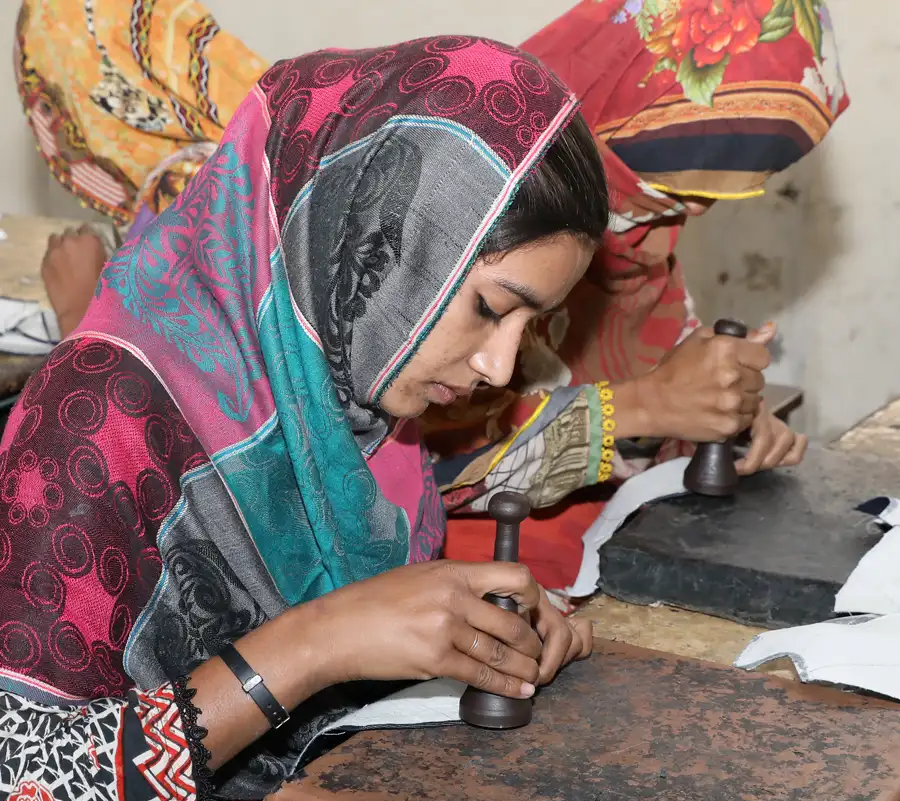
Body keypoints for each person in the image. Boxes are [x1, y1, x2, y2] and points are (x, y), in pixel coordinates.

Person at [0, 37, 600, 801]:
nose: (500, 367)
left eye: (529, 327)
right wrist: (314, 646)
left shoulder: (355, 407)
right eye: (487, 311)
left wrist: (470, 634)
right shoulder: (100, 411)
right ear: (374, 238)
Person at [24, 0, 848, 594]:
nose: (500, 363)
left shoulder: (586, 246)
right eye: (664, 181)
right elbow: (403, 448)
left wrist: (706, 418)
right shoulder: (422, 222)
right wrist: (647, 407)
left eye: (701, 199)